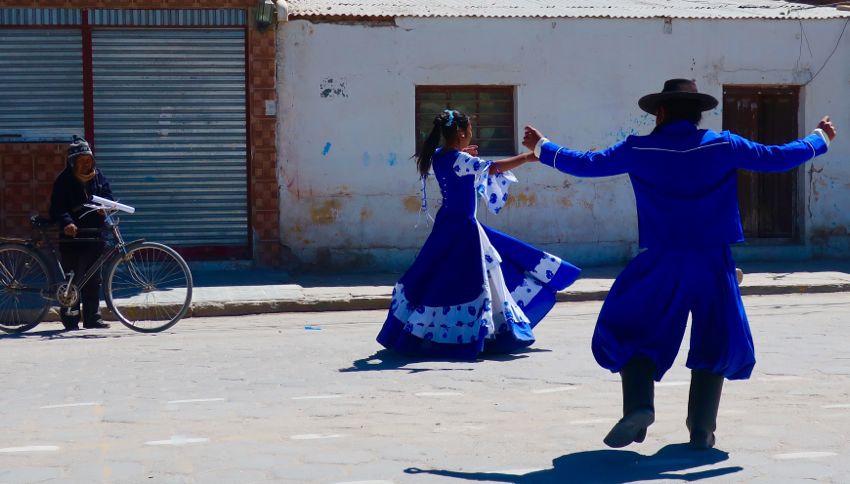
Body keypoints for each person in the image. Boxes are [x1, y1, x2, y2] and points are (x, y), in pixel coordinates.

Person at [522, 79, 837, 449]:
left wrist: (543, 148)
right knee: (716, 336)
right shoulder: (723, 144)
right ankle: (701, 428)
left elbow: (587, 165)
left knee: (629, 326)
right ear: (697, 114)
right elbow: (778, 157)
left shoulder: (638, 147)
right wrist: (820, 139)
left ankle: (639, 406)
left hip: (662, 258)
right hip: (713, 260)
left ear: (662, 112)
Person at [377, 109, 581, 360]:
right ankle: (479, 336)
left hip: (447, 225)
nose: (472, 135)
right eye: (470, 131)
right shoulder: (461, 161)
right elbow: (493, 168)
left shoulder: (440, 156)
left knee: (438, 275)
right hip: (465, 229)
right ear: (462, 133)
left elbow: (461, 168)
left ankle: (432, 332)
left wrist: (464, 155)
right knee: (476, 281)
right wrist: (528, 158)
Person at [49, 136, 113, 331]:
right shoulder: (64, 180)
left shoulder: (98, 176)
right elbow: (57, 208)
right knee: (72, 280)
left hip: (95, 236)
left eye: (89, 159)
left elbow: (108, 197)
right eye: (82, 160)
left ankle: (93, 317)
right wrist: (67, 223)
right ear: (73, 162)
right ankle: (70, 319)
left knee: (93, 279)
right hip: (73, 239)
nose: (87, 163)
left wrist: (106, 207)